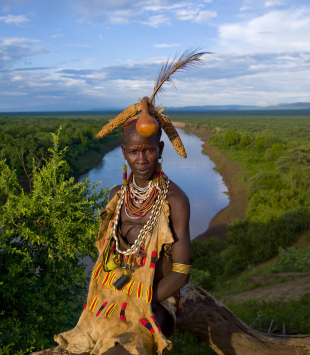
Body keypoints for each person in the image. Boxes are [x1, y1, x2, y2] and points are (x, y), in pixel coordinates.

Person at [54, 50, 208, 355]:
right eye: (134, 151)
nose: (142, 159)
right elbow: (108, 255)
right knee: (80, 343)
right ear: (123, 152)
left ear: (160, 148)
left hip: (154, 298)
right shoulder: (115, 197)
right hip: (114, 294)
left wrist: (141, 297)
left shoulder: (175, 201)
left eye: (148, 150)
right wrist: (114, 293)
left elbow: (181, 273)